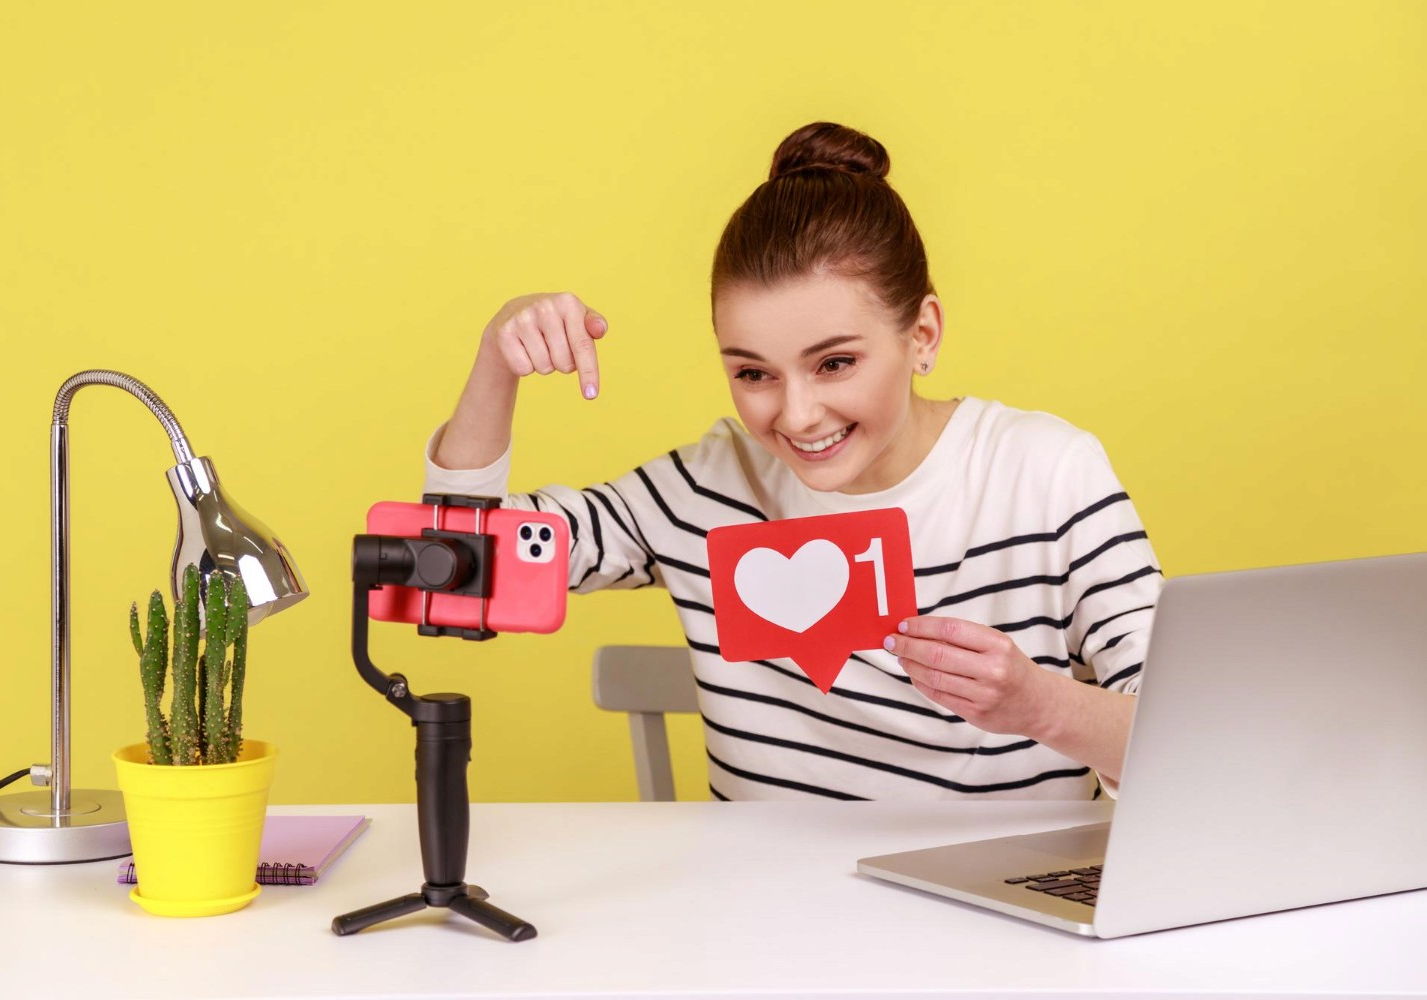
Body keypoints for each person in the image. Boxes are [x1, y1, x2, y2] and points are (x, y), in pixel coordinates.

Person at [425, 122, 1162, 801]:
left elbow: (1193, 744)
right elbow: (455, 576)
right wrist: (497, 360)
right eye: (753, 374)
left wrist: (1041, 705)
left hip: (1007, 924)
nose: (798, 415)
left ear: (923, 334)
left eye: (835, 363)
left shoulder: (1046, 475)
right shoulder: (706, 489)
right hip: (764, 925)